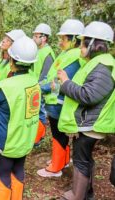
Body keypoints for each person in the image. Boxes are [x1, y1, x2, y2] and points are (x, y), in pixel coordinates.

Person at [57, 21, 114, 200]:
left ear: (93, 45)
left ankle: (77, 195)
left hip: (91, 124)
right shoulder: (97, 62)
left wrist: (66, 82)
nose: (80, 48)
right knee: (85, 159)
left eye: (83, 44)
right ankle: (87, 194)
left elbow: (89, 95)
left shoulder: (103, 67)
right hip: (89, 122)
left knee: (81, 160)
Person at [0, 36, 40, 199]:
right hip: (24, 139)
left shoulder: (5, 87)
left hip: (5, 141)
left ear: (12, 61)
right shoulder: (34, 82)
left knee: (3, 173)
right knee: (19, 169)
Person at [37, 19, 86, 178]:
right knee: (60, 135)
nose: (60, 42)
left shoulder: (74, 56)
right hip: (54, 101)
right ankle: (63, 161)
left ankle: (55, 168)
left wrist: (41, 88)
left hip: (59, 102)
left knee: (58, 135)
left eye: (63, 39)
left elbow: (59, 81)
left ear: (75, 39)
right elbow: (51, 76)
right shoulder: (66, 54)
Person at [32, 23, 56, 145]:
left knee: (40, 114)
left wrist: (39, 88)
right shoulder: (38, 51)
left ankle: (39, 140)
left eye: (36, 36)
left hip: (41, 89)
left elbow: (46, 75)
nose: (34, 38)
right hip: (35, 88)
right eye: (34, 36)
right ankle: (35, 138)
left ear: (44, 38)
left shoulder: (47, 53)